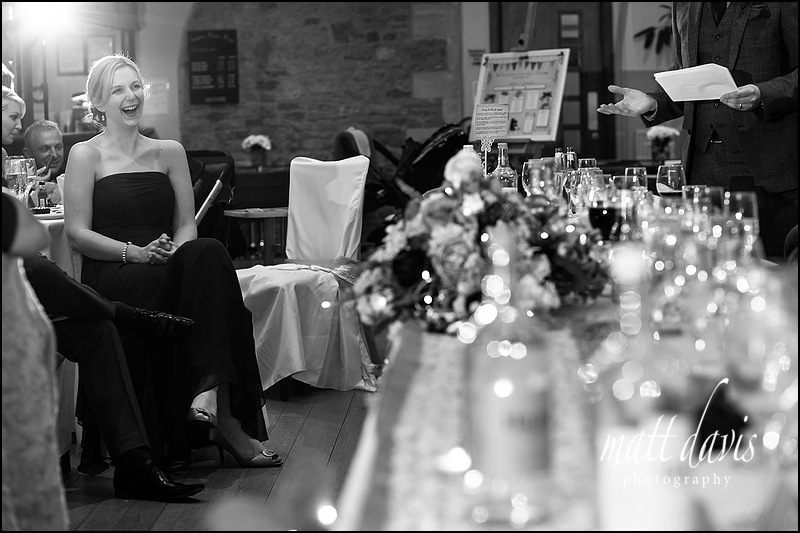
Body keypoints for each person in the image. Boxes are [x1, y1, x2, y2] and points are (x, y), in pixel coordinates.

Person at [64, 53, 282, 468]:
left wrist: (174, 255)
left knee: (209, 252)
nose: (131, 96)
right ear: (99, 103)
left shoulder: (169, 151)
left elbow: (185, 224)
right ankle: (225, 419)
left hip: (165, 259)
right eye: (118, 90)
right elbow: (77, 234)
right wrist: (136, 253)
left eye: (135, 86)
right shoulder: (85, 155)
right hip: (115, 267)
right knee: (210, 286)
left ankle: (211, 400)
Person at [3, 87, 206, 502]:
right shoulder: (86, 155)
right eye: (12, 116)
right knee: (33, 263)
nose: (18, 125)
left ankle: (134, 466)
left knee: (95, 331)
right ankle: (124, 313)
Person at [597, 2, 798, 259]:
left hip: (770, 168)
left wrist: (763, 94)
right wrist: (653, 102)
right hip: (701, 170)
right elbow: (684, 77)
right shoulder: (683, 5)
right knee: (704, 265)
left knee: (774, 270)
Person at [23, 119, 64, 205]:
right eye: (45, 149)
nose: (54, 155)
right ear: (28, 153)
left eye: (59, 147)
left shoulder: (71, 179)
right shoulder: (21, 187)